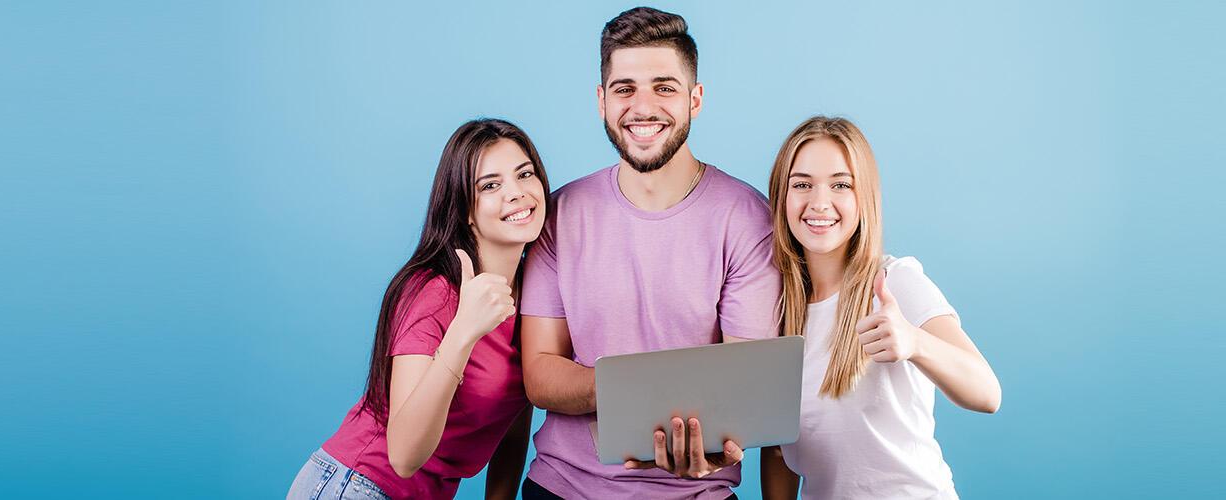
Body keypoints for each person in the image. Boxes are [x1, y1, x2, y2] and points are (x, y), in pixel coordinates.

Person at [519, 7, 783, 500]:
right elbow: (538, 371)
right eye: (624, 89)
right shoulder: (559, 213)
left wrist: (639, 397)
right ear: (601, 101)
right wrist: (638, 395)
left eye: (664, 87)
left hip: (697, 492)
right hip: (563, 486)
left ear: (695, 99)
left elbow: (741, 386)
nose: (643, 107)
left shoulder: (748, 219)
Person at [287, 119, 550, 500]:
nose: (516, 193)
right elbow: (404, 456)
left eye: (524, 174)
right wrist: (463, 332)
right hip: (356, 486)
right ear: (465, 211)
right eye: (490, 185)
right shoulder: (433, 291)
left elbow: (514, 416)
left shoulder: (533, 296)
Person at [756, 116, 1002, 500]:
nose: (819, 202)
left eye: (841, 185)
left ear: (863, 198)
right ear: (781, 197)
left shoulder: (894, 281)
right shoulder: (775, 308)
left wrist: (915, 342)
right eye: (802, 184)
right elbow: (776, 447)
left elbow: (987, 393)